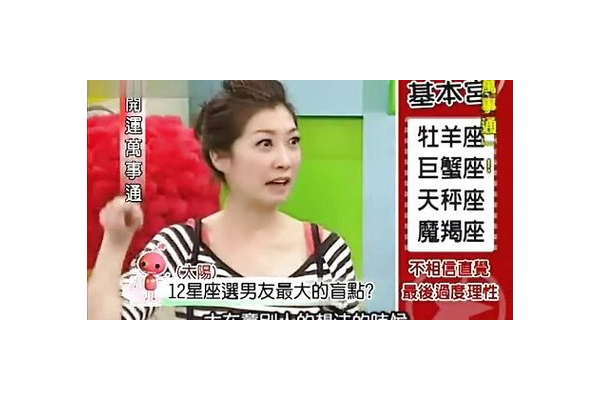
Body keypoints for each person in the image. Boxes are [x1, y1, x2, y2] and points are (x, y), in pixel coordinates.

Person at [87, 80, 358, 320]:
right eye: (265, 144)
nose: (285, 161)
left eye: (293, 142)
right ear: (219, 156)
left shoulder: (328, 253)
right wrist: (115, 242)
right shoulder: (181, 248)